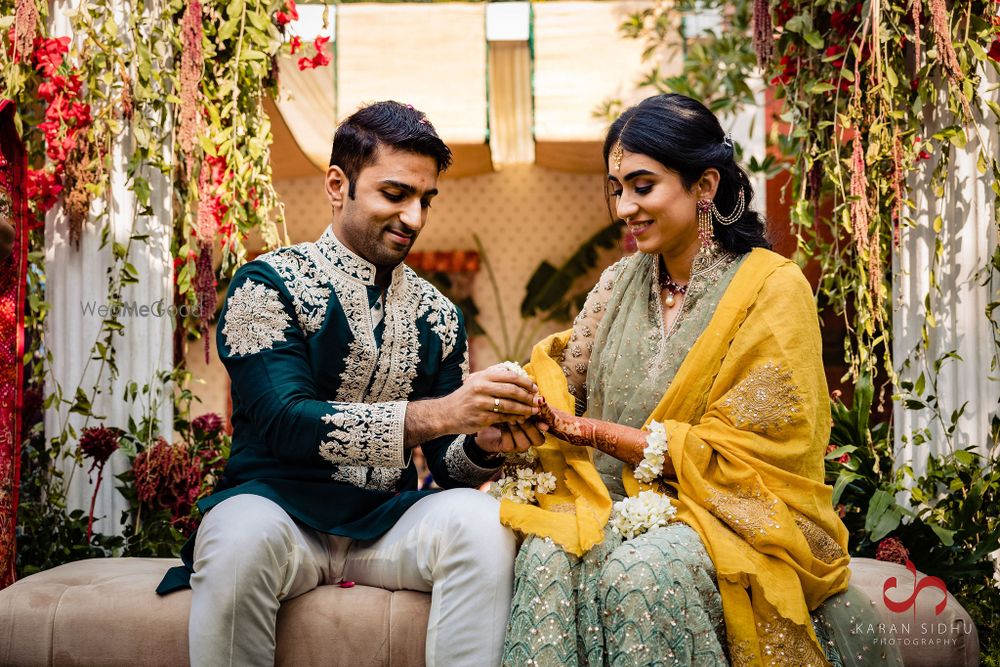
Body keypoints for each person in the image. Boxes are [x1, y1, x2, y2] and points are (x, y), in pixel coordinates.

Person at [500, 94, 902, 667]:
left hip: (732, 513)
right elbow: (566, 381)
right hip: (614, 502)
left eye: (643, 186)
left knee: (643, 570)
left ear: (705, 186)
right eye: (617, 189)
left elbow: (762, 452)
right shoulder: (618, 284)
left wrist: (594, 432)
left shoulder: (771, 289)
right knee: (545, 553)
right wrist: (523, 402)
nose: (624, 208)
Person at [157, 100, 547, 667]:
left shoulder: (439, 314)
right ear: (338, 185)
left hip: (385, 523)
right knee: (237, 539)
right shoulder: (267, 284)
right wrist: (440, 414)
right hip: (275, 512)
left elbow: (446, 465)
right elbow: (286, 422)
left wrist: (484, 446)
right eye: (395, 194)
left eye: (424, 200)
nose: (413, 217)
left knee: (484, 523)